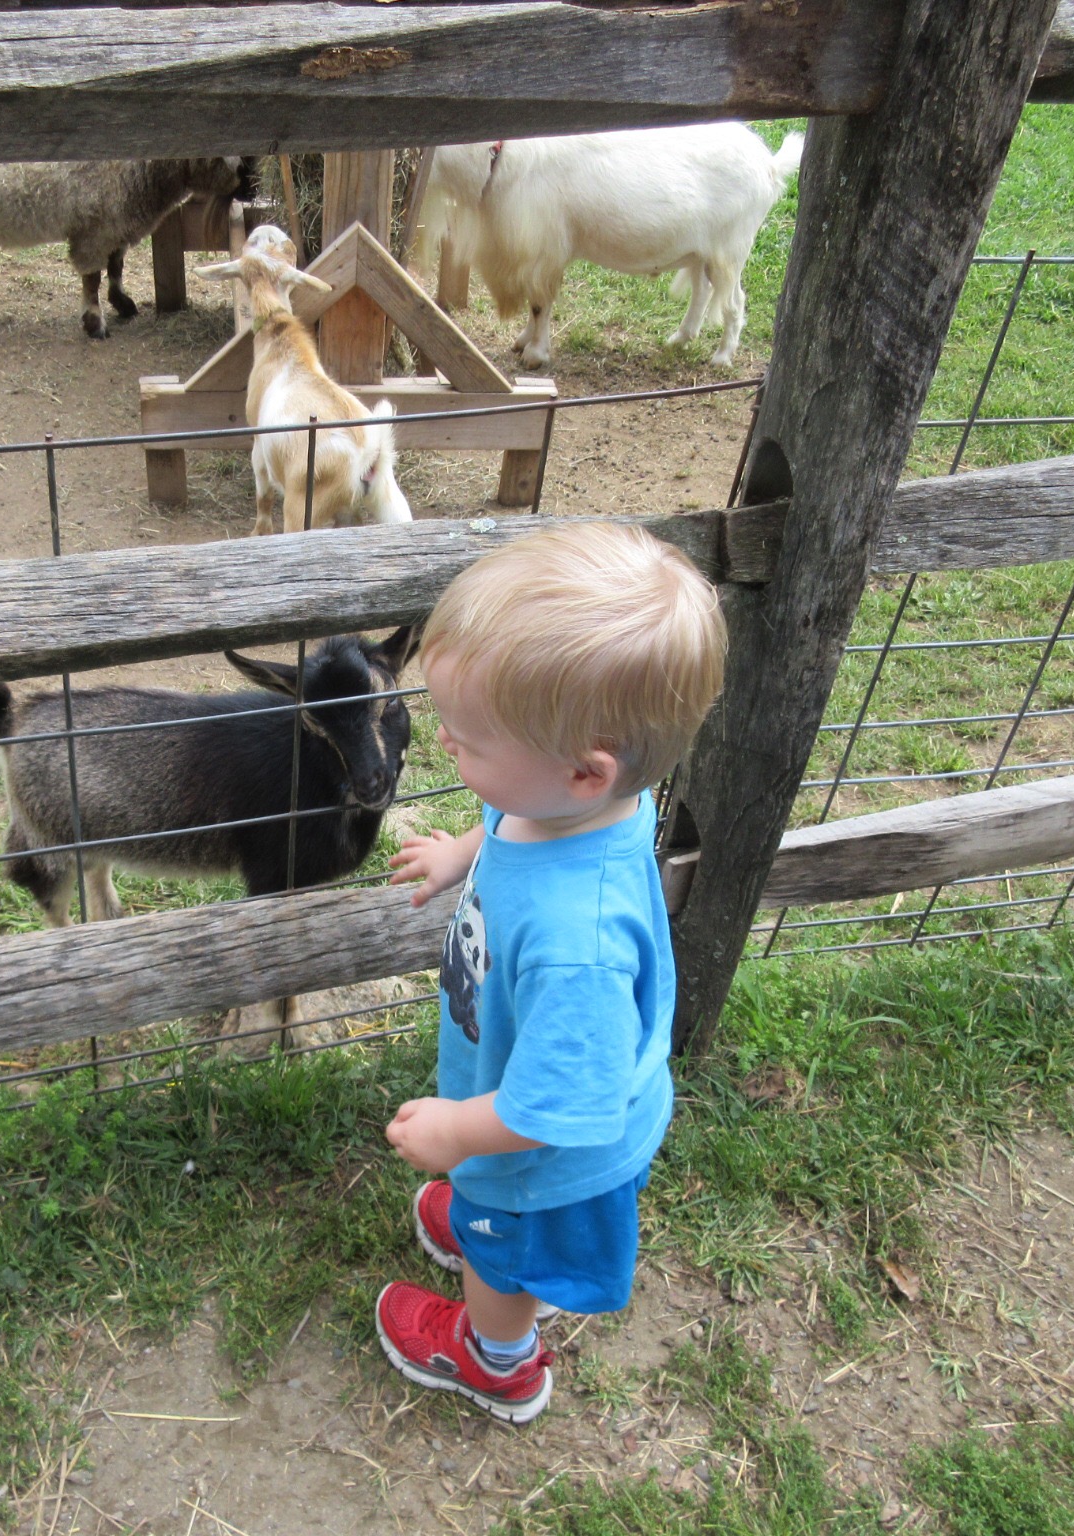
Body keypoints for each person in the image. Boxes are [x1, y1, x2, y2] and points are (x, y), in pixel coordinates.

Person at [378, 520, 727, 1423]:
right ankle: (484, 1220)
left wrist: (458, 1133)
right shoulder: (581, 803)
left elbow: (556, 1107)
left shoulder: (580, 946)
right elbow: (514, 819)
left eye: (469, 740)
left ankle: (497, 1357)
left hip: (545, 1158)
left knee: (506, 1259)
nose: (445, 745)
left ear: (583, 771)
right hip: (519, 1105)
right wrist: (464, 849)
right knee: (497, 1219)